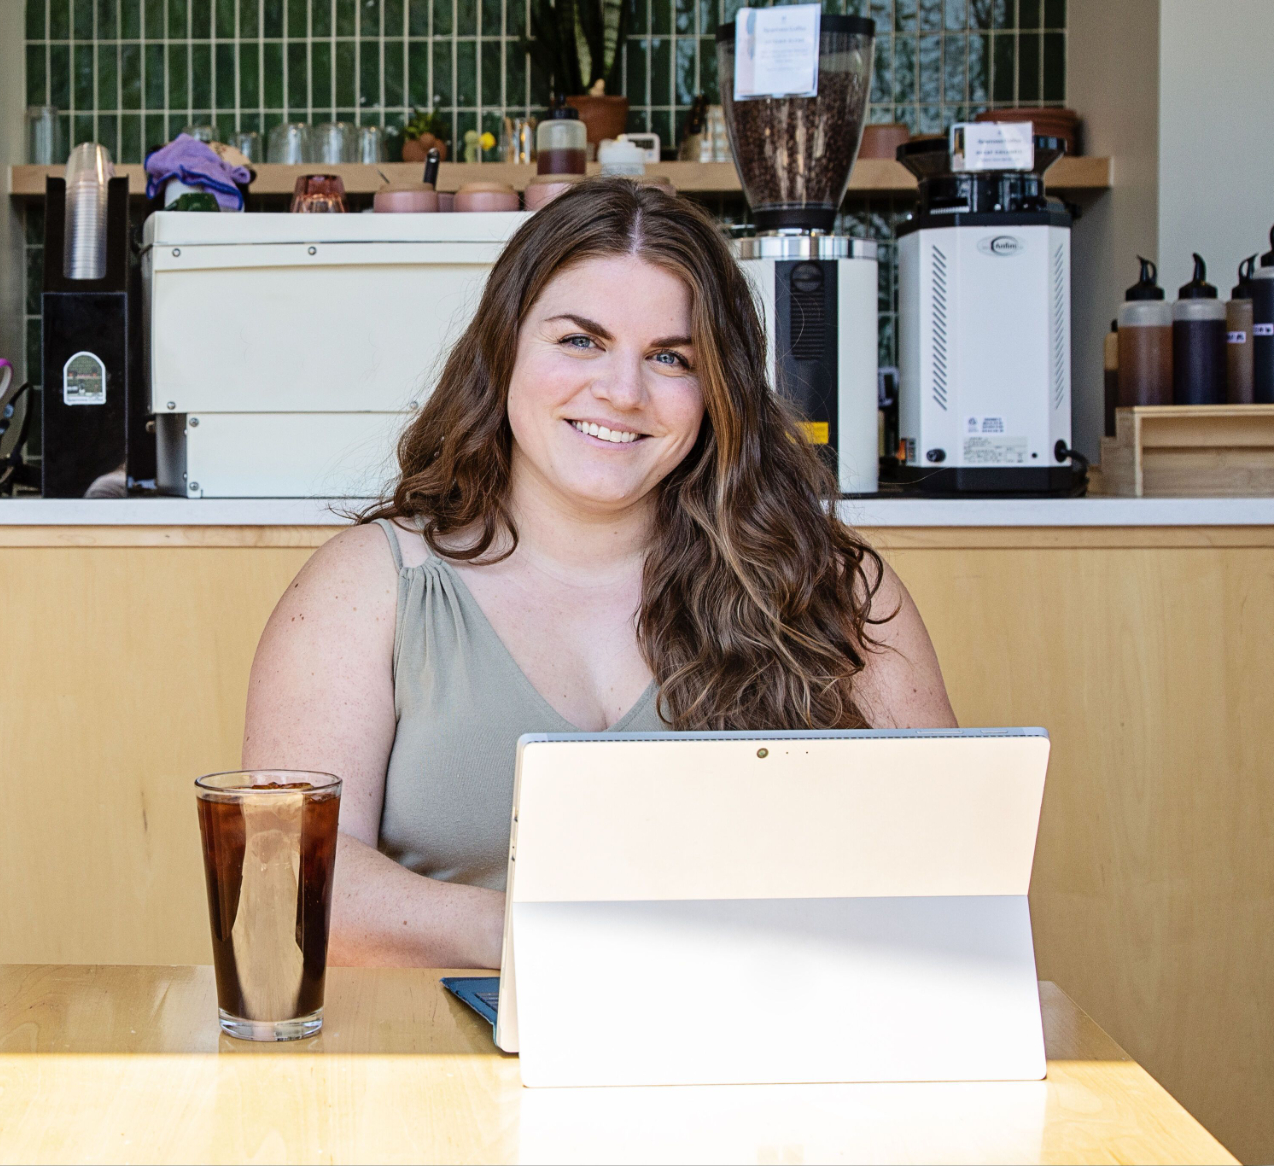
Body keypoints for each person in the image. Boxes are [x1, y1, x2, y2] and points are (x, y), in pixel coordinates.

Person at [242, 178, 955, 968]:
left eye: (670, 357)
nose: (621, 392)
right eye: (580, 341)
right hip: (443, 1044)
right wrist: (555, 936)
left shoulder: (834, 590)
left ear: (718, 391)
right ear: (503, 348)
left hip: (755, 1033)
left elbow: (949, 870)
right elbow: (285, 874)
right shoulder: (365, 586)